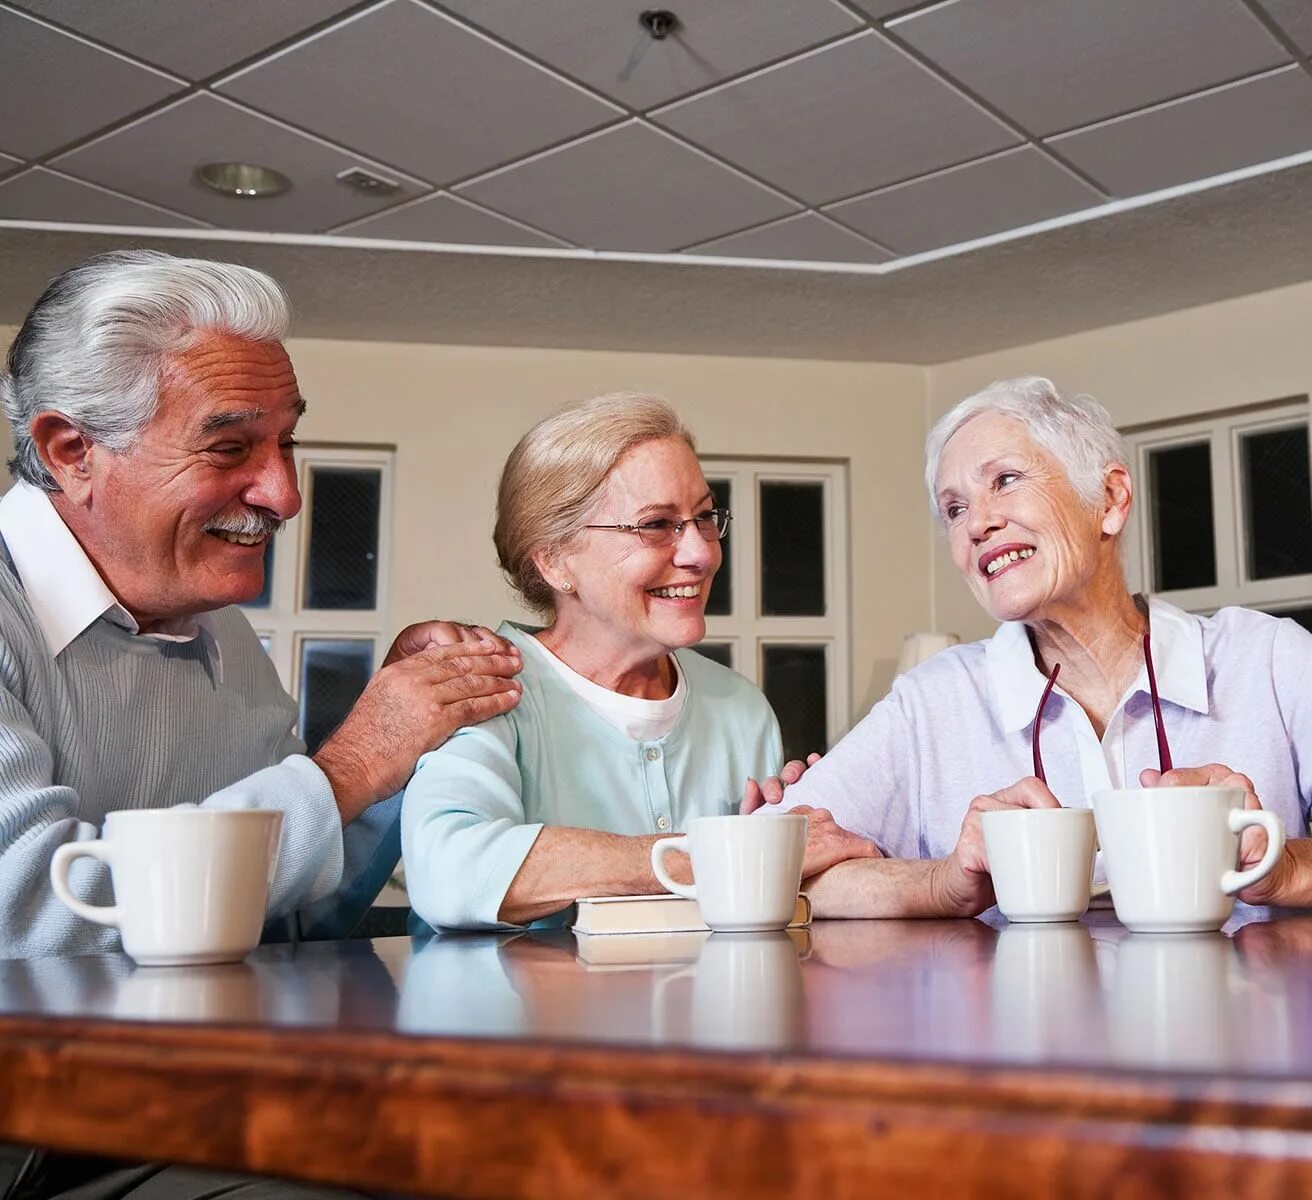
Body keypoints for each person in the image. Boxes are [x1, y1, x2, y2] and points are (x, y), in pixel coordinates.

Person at [0, 250, 524, 1198]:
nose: (284, 493)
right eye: (230, 447)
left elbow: (293, 910)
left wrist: (405, 742)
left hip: (209, 1103)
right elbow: (30, 913)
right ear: (72, 450)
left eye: (285, 445)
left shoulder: (220, 635)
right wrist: (355, 761)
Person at [762, 376, 1312, 917]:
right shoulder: (935, 700)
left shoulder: (1265, 660)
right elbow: (775, 865)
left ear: (1110, 501)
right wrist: (946, 880)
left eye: (1005, 481)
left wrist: (1283, 865)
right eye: (954, 509)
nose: (975, 524)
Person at [400, 393, 876, 931]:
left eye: (703, 517)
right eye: (657, 525)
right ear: (554, 559)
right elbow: (451, 873)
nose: (700, 553)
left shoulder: (739, 707)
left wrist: (789, 844)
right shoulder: (482, 686)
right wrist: (719, 856)